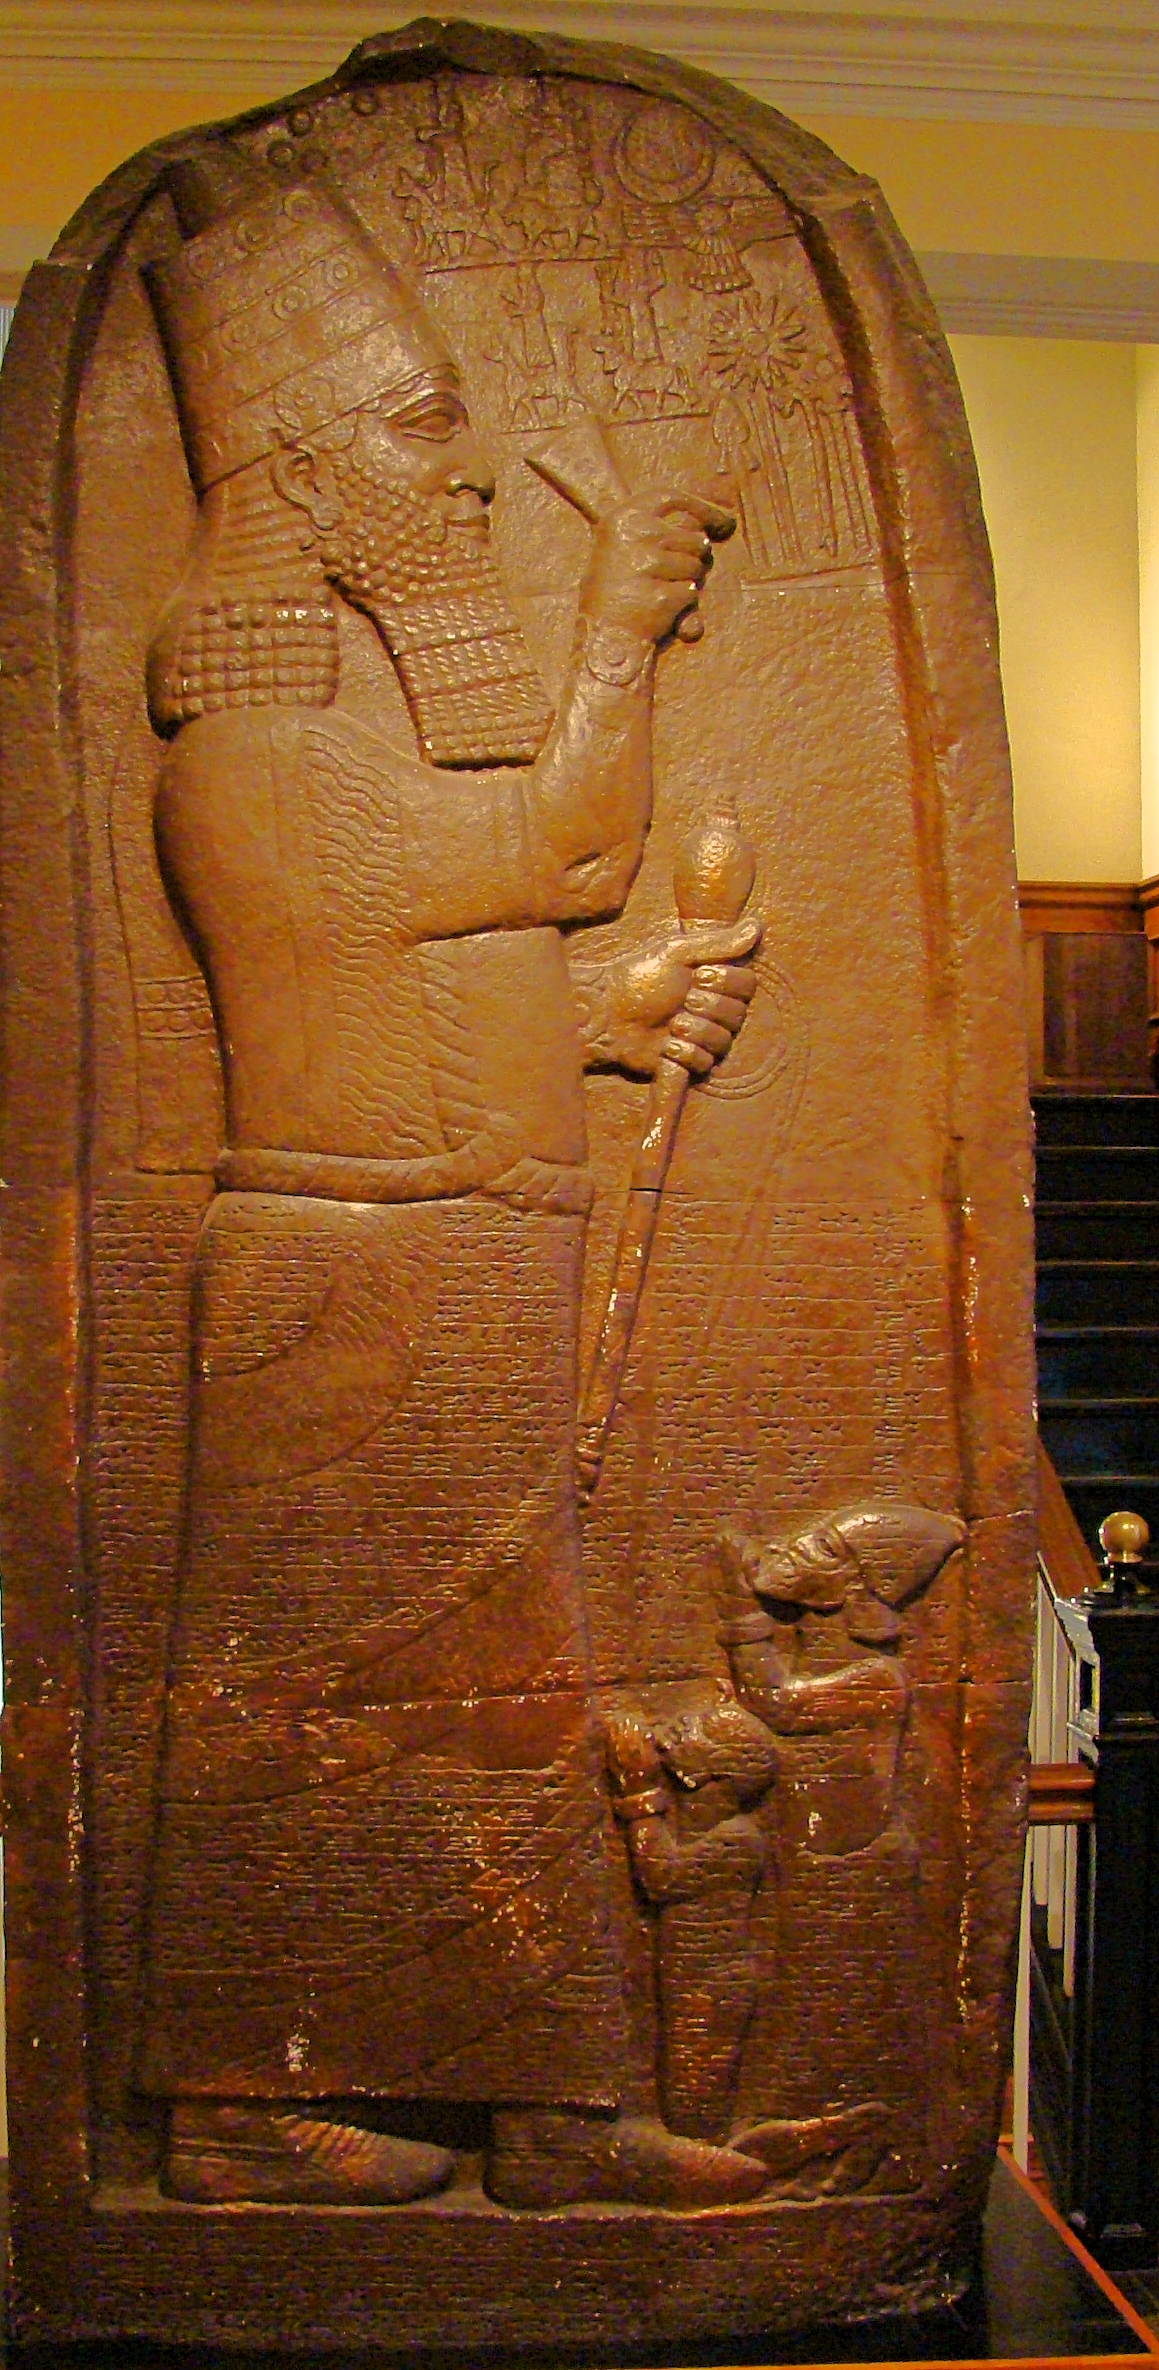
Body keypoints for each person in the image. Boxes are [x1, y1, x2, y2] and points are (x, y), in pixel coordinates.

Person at [136, 146, 763, 2210]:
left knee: (507, 1703)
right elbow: (565, 854)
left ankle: (551, 2119)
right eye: (425, 427)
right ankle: (236, 2112)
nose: (475, 470)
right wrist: (621, 626)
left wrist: (598, 1021)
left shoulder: (349, 749)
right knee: (321, 1714)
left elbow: (432, 971)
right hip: (354, 1294)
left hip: (449, 1261)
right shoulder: (255, 755)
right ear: (303, 483)